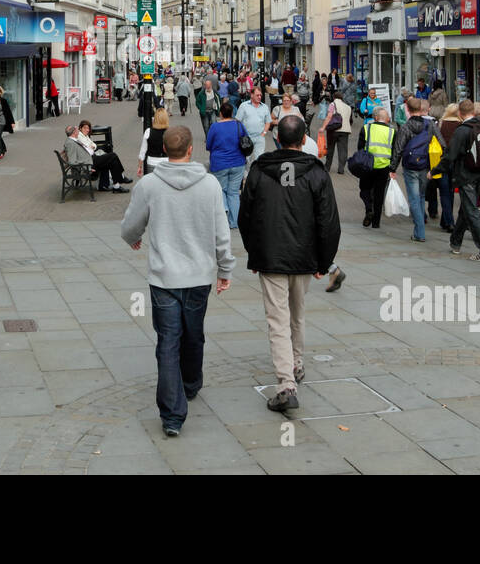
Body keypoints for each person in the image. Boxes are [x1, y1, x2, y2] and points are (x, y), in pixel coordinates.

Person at [120, 125, 234, 437]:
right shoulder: (210, 185)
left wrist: (133, 237)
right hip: (198, 276)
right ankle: (191, 383)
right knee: (193, 334)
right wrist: (225, 269)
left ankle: (172, 415)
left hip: (164, 278)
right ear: (189, 150)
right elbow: (221, 234)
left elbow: (130, 225)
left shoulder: (149, 185)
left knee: (167, 342)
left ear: (165, 151)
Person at [238, 115, 341, 414]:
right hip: (304, 254)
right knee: (297, 312)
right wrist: (325, 260)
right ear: (303, 139)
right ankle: (295, 363)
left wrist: (252, 251)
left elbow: (246, 216)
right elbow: (329, 221)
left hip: (270, 254)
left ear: (277, 138)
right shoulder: (317, 173)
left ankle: (286, 383)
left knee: (278, 318)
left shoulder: (259, 170)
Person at [444, 99, 480, 260]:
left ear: (460, 113)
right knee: (466, 209)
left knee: (471, 211)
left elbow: (451, 155)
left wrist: (437, 170)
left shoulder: (462, 130)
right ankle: (455, 242)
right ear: (473, 112)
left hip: (466, 175)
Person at [389, 97, 439, 243]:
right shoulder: (430, 125)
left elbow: (398, 149)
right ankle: (419, 230)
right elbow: (441, 143)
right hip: (425, 165)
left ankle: (420, 232)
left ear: (408, 110)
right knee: (421, 196)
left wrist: (393, 168)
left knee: (414, 198)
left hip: (410, 166)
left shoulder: (405, 127)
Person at [205, 99, 248, 229]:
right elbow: (246, 141)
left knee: (221, 190)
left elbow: (208, 145)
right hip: (238, 162)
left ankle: (223, 216)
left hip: (220, 163)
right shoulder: (239, 125)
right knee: (234, 192)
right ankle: (234, 221)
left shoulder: (215, 127)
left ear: (221, 113)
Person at [355, 107, 394, 228]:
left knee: (364, 189)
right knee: (379, 193)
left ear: (375, 118)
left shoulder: (366, 128)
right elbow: (395, 150)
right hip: (384, 166)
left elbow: (360, 147)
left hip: (368, 165)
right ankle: (376, 222)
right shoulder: (392, 131)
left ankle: (368, 209)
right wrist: (392, 167)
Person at [75, 120, 131, 193]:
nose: (87, 130)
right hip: (90, 161)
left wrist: (92, 146)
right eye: (85, 128)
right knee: (113, 155)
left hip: (92, 158)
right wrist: (91, 146)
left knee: (112, 161)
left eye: (88, 128)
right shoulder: (80, 136)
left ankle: (115, 186)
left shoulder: (85, 136)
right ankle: (121, 177)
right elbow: (90, 146)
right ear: (80, 128)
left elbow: (94, 145)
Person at [437, 102, 461, 231]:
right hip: (456, 161)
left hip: (443, 160)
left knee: (445, 192)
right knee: (450, 192)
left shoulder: (441, 123)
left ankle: (447, 221)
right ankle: (448, 221)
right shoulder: (460, 125)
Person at [235, 85, 271, 167]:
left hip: (259, 138)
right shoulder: (244, 106)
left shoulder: (265, 107)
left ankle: (256, 177)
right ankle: (246, 177)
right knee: (246, 160)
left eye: (260, 95)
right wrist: (240, 136)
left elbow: (268, 122)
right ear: (251, 95)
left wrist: (264, 133)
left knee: (259, 159)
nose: (259, 97)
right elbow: (237, 122)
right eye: (257, 95)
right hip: (247, 138)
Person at [323, 92, 353, 175]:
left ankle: (327, 167)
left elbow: (329, 116)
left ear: (334, 97)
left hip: (333, 130)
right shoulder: (348, 107)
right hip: (345, 131)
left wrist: (323, 127)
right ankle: (341, 169)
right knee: (343, 150)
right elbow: (350, 120)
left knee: (330, 149)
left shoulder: (332, 104)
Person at [138, 107, 171, 177]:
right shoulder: (171, 132)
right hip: (167, 163)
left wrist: (140, 166)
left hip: (152, 162)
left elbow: (142, 151)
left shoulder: (148, 132)